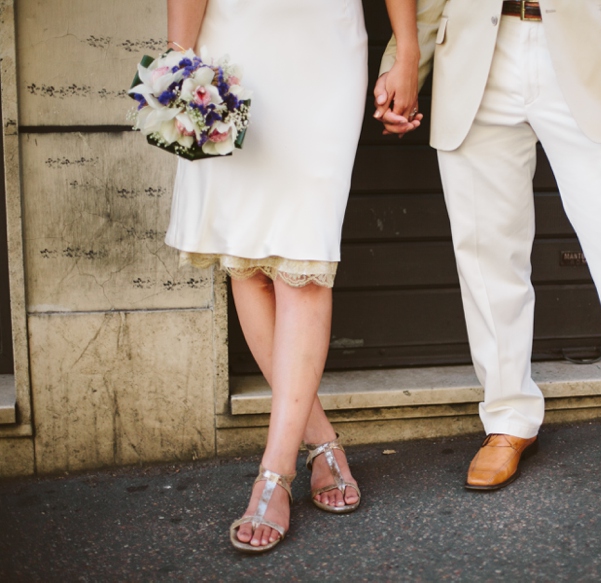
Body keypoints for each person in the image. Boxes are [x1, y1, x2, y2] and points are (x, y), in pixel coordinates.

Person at [374, 0, 601, 504]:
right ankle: (507, 417)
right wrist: (405, 61)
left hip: (590, 50)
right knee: (486, 254)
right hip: (476, 49)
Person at [166, 0, 420, 552]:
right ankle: (321, 442)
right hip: (233, 46)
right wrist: (179, 57)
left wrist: (406, 50)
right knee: (249, 262)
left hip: (324, 49)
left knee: (304, 266)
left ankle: (272, 476)